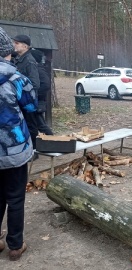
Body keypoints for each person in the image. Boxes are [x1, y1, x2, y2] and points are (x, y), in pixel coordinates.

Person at [0, 27, 37, 261]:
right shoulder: (16, 79)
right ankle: (15, 245)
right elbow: (32, 105)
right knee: (14, 197)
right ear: (7, 52)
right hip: (13, 150)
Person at [12, 34, 41, 152]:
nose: (14, 45)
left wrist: (25, 94)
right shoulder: (19, 59)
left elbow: (35, 83)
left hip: (27, 100)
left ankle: (34, 151)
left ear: (25, 46)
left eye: (17, 43)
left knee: (31, 125)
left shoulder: (29, 61)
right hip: (20, 99)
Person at [30, 49, 53, 136]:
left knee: (41, 125)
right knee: (36, 125)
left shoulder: (38, 69)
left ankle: (54, 142)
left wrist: (34, 94)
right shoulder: (36, 68)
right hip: (35, 101)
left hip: (37, 101)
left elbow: (46, 85)